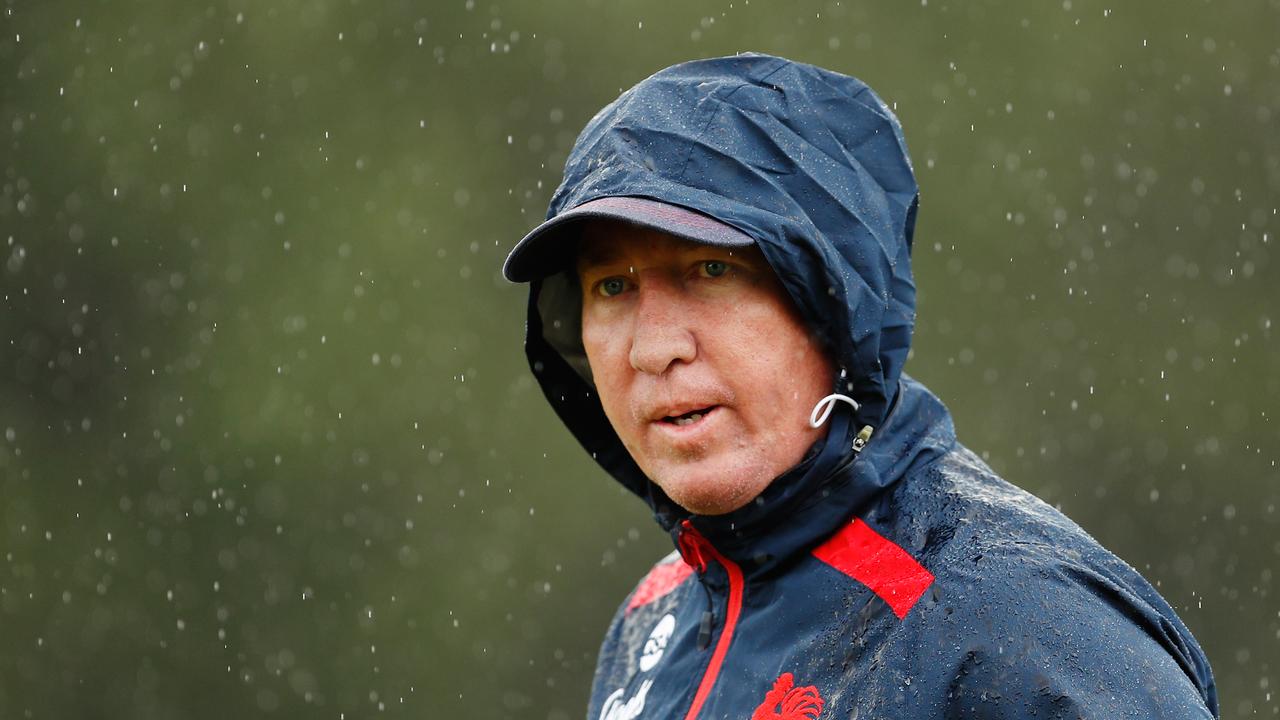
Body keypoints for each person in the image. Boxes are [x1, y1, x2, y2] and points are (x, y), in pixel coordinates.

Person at [503, 53, 1218, 720]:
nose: (654, 348)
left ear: (833, 303)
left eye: (711, 270)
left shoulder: (1019, 626)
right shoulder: (652, 618)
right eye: (612, 285)